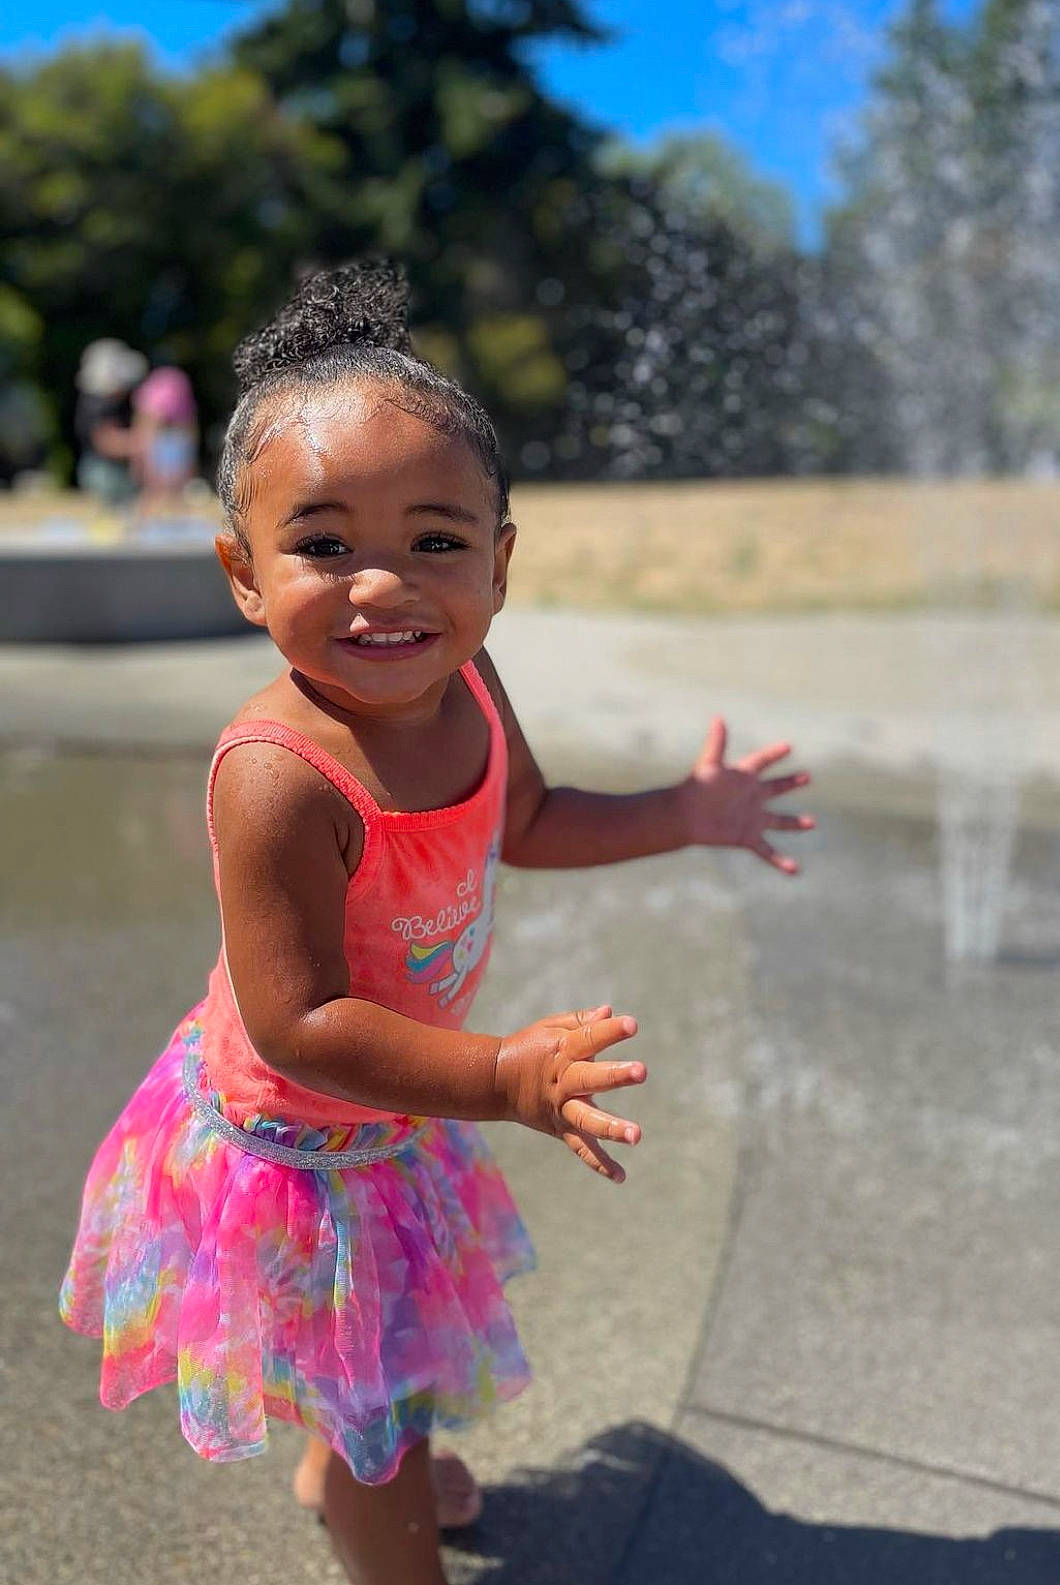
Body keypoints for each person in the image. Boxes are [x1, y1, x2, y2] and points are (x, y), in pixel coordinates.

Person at [58, 260, 813, 1585]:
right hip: (302, 1146)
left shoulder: (468, 681)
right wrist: (502, 1074)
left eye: (437, 541)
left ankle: (342, 1447)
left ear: (500, 566)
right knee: (384, 1436)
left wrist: (683, 811)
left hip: (391, 1109)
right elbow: (299, 1025)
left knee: (371, 1381)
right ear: (243, 571)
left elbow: (525, 817)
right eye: (325, 543)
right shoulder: (281, 777)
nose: (385, 587)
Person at [74, 338, 147, 507]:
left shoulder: (110, 403)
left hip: (108, 471)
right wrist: (143, 443)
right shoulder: (97, 404)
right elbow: (106, 442)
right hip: (104, 473)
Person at [131, 364, 199, 516]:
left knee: (162, 494)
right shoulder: (181, 430)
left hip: (168, 449)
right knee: (163, 495)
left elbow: (143, 429)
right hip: (168, 449)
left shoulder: (153, 407)